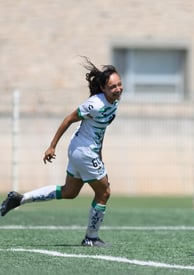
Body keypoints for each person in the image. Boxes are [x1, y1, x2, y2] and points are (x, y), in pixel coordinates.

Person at [0, 57, 123, 247]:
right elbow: (69, 119)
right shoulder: (95, 104)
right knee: (104, 192)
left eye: (119, 84)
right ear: (104, 89)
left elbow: (100, 129)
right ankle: (91, 238)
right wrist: (52, 145)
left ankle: (20, 199)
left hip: (83, 150)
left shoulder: (113, 103)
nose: (118, 89)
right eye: (113, 86)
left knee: (69, 191)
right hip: (83, 150)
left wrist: (99, 154)